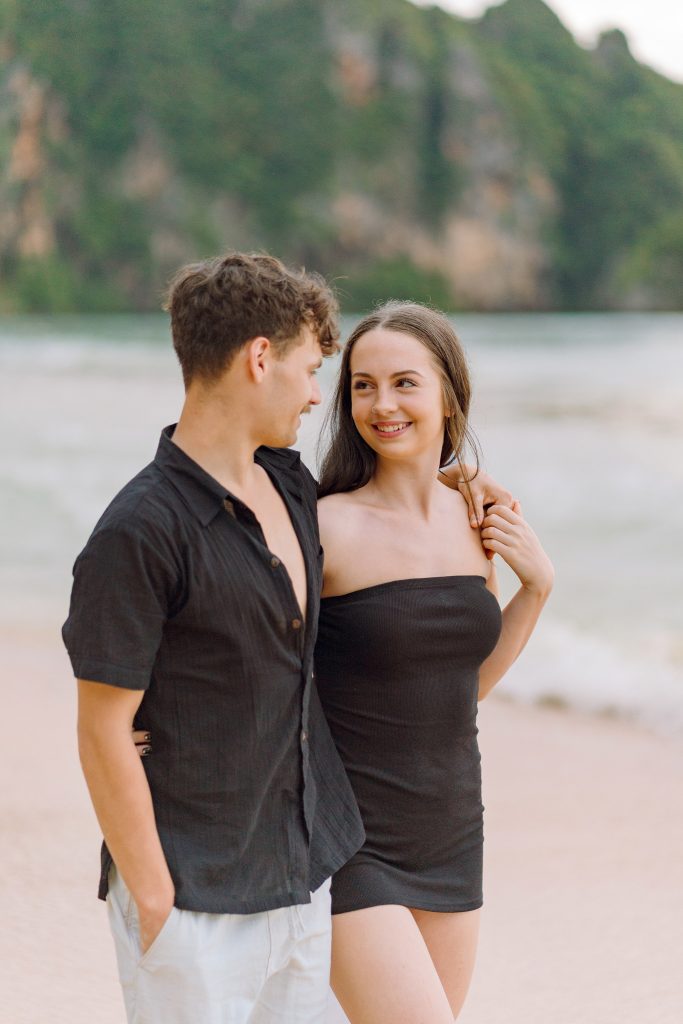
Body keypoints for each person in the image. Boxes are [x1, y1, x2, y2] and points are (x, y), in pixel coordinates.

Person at [63, 254, 511, 1024]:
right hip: (215, 882)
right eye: (318, 372)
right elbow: (104, 723)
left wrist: (475, 508)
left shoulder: (290, 490)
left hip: (320, 866)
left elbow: (325, 652)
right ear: (259, 358)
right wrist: (154, 893)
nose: (320, 394)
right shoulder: (142, 528)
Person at [314, 302, 554, 1023]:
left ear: (448, 393)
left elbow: (458, 692)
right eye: (361, 385)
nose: (381, 404)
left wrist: (535, 589)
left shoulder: (475, 520)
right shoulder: (325, 524)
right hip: (347, 837)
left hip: (450, 828)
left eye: (403, 383)